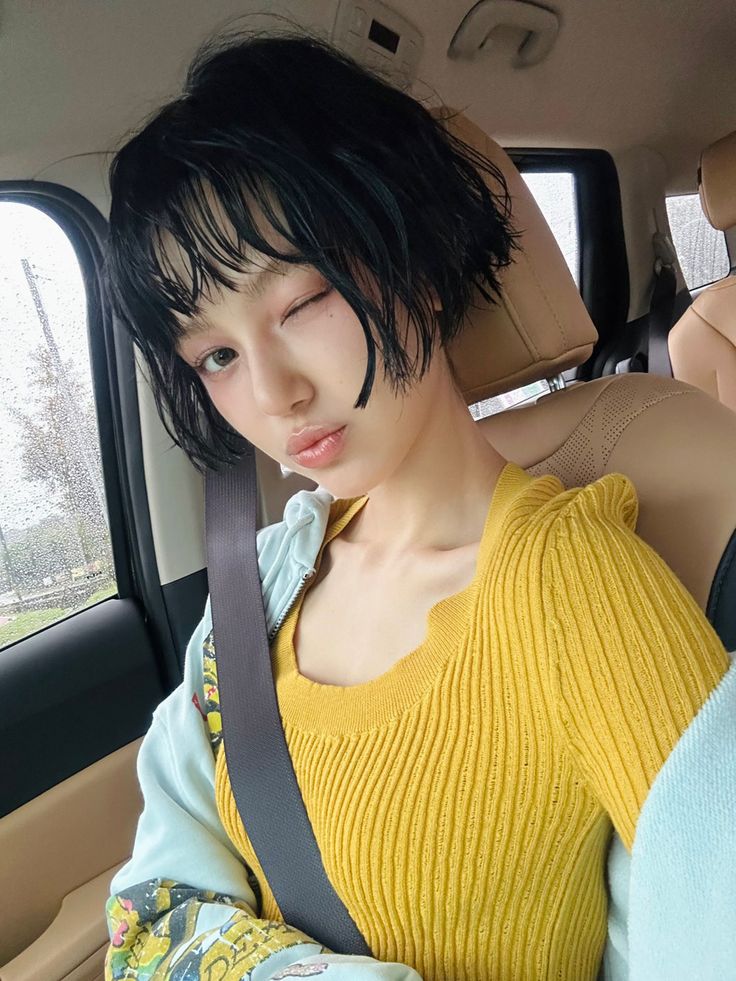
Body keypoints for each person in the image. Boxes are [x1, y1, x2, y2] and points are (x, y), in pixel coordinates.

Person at [102, 29, 732, 981]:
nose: (273, 394)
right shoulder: (260, 586)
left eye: (301, 302)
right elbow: (149, 916)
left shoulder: (578, 592)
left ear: (418, 263)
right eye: (217, 355)